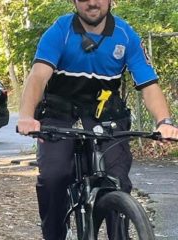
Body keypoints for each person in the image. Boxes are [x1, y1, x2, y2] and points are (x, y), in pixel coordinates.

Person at [17, 0, 178, 239]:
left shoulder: (126, 35)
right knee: (55, 175)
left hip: (106, 116)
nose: (92, 3)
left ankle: (117, 231)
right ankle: (54, 233)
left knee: (117, 179)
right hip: (59, 115)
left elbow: (148, 84)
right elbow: (38, 77)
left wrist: (164, 121)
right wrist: (26, 116)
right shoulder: (59, 31)